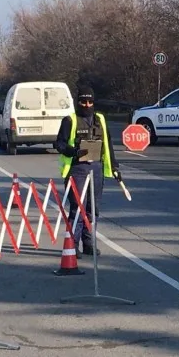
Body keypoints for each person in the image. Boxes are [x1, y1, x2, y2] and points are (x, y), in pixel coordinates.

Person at [54, 85, 122, 257]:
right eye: (83, 101)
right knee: (78, 208)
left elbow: (108, 144)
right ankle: (73, 245)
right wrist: (74, 152)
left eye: (90, 101)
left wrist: (114, 167)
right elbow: (59, 144)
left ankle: (89, 243)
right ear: (78, 102)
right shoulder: (70, 120)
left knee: (93, 209)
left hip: (97, 169)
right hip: (77, 169)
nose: (86, 105)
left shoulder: (100, 119)